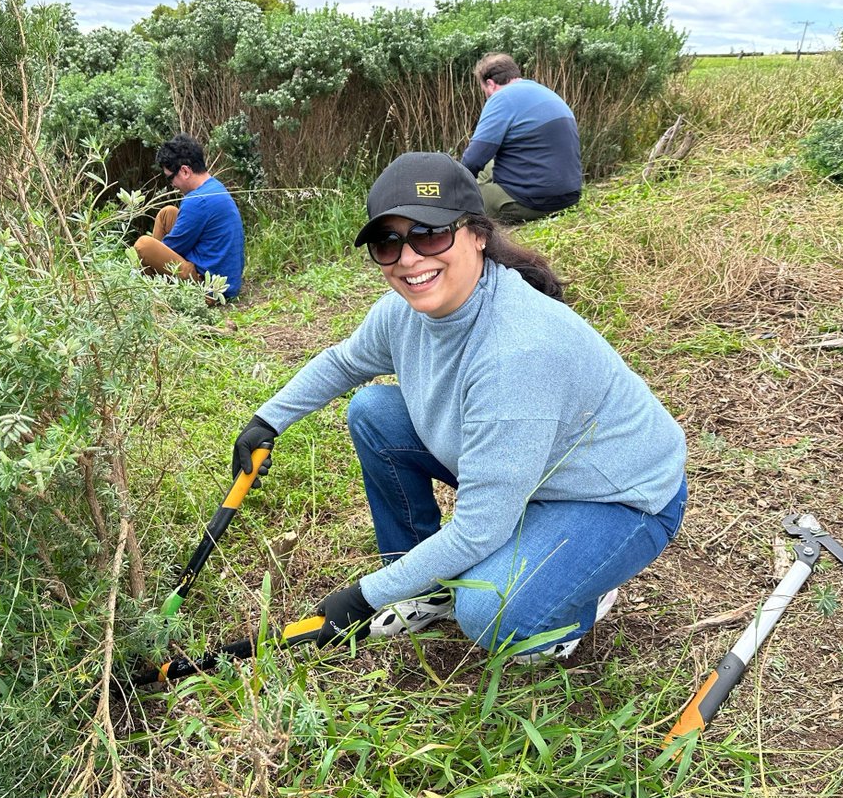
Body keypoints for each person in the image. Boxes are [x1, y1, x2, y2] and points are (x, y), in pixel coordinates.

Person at [231, 153, 686, 660]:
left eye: (429, 234)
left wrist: (362, 598)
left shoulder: (519, 351)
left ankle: (577, 598)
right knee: (374, 413)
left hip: (613, 497)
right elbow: (342, 363)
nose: (408, 259)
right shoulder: (402, 315)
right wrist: (267, 420)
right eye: (388, 242)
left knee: (489, 613)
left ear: (477, 234)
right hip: (526, 471)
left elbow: (478, 529)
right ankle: (421, 587)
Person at [461, 53, 582, 224]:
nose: (486, 96)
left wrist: (454, 187)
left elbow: (472, 160)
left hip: (532, 203)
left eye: (484, 91)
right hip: (570, 198)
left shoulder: (501, 99)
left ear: (490, 84)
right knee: (490, 164)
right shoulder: (545, 92)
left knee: (463, 199)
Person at [134, 134, 245, 300]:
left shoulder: (197, 201)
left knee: (143, 245)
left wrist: (151, 258)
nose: (172, 185)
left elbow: (173, 248)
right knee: (167, 213)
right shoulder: (213, 185)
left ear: (185, 171)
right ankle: (152, 278)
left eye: (170, 178)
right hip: (223, 276)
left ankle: (151, 283)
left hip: (210, 288)